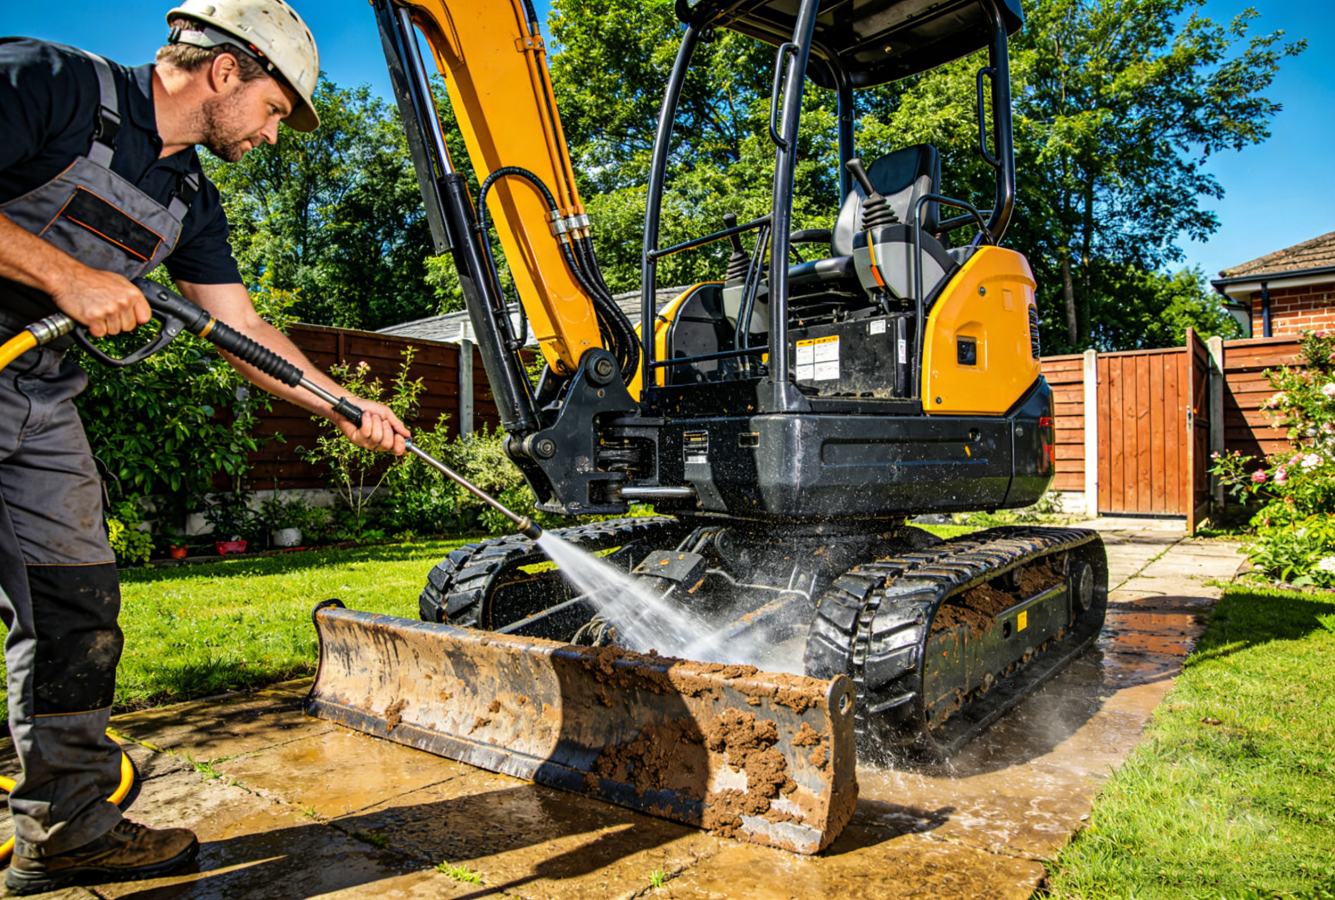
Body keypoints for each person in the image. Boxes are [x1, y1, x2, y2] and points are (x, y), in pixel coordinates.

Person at [0, 1, 409, 892]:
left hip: (34, 399)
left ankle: (64, 829)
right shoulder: (49, 82)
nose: (271, 135)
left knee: (76, 605)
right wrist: (68, 276)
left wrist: (343, 405)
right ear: (227, 72)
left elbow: (243, 327)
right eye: (273, 110)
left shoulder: (190, 200)